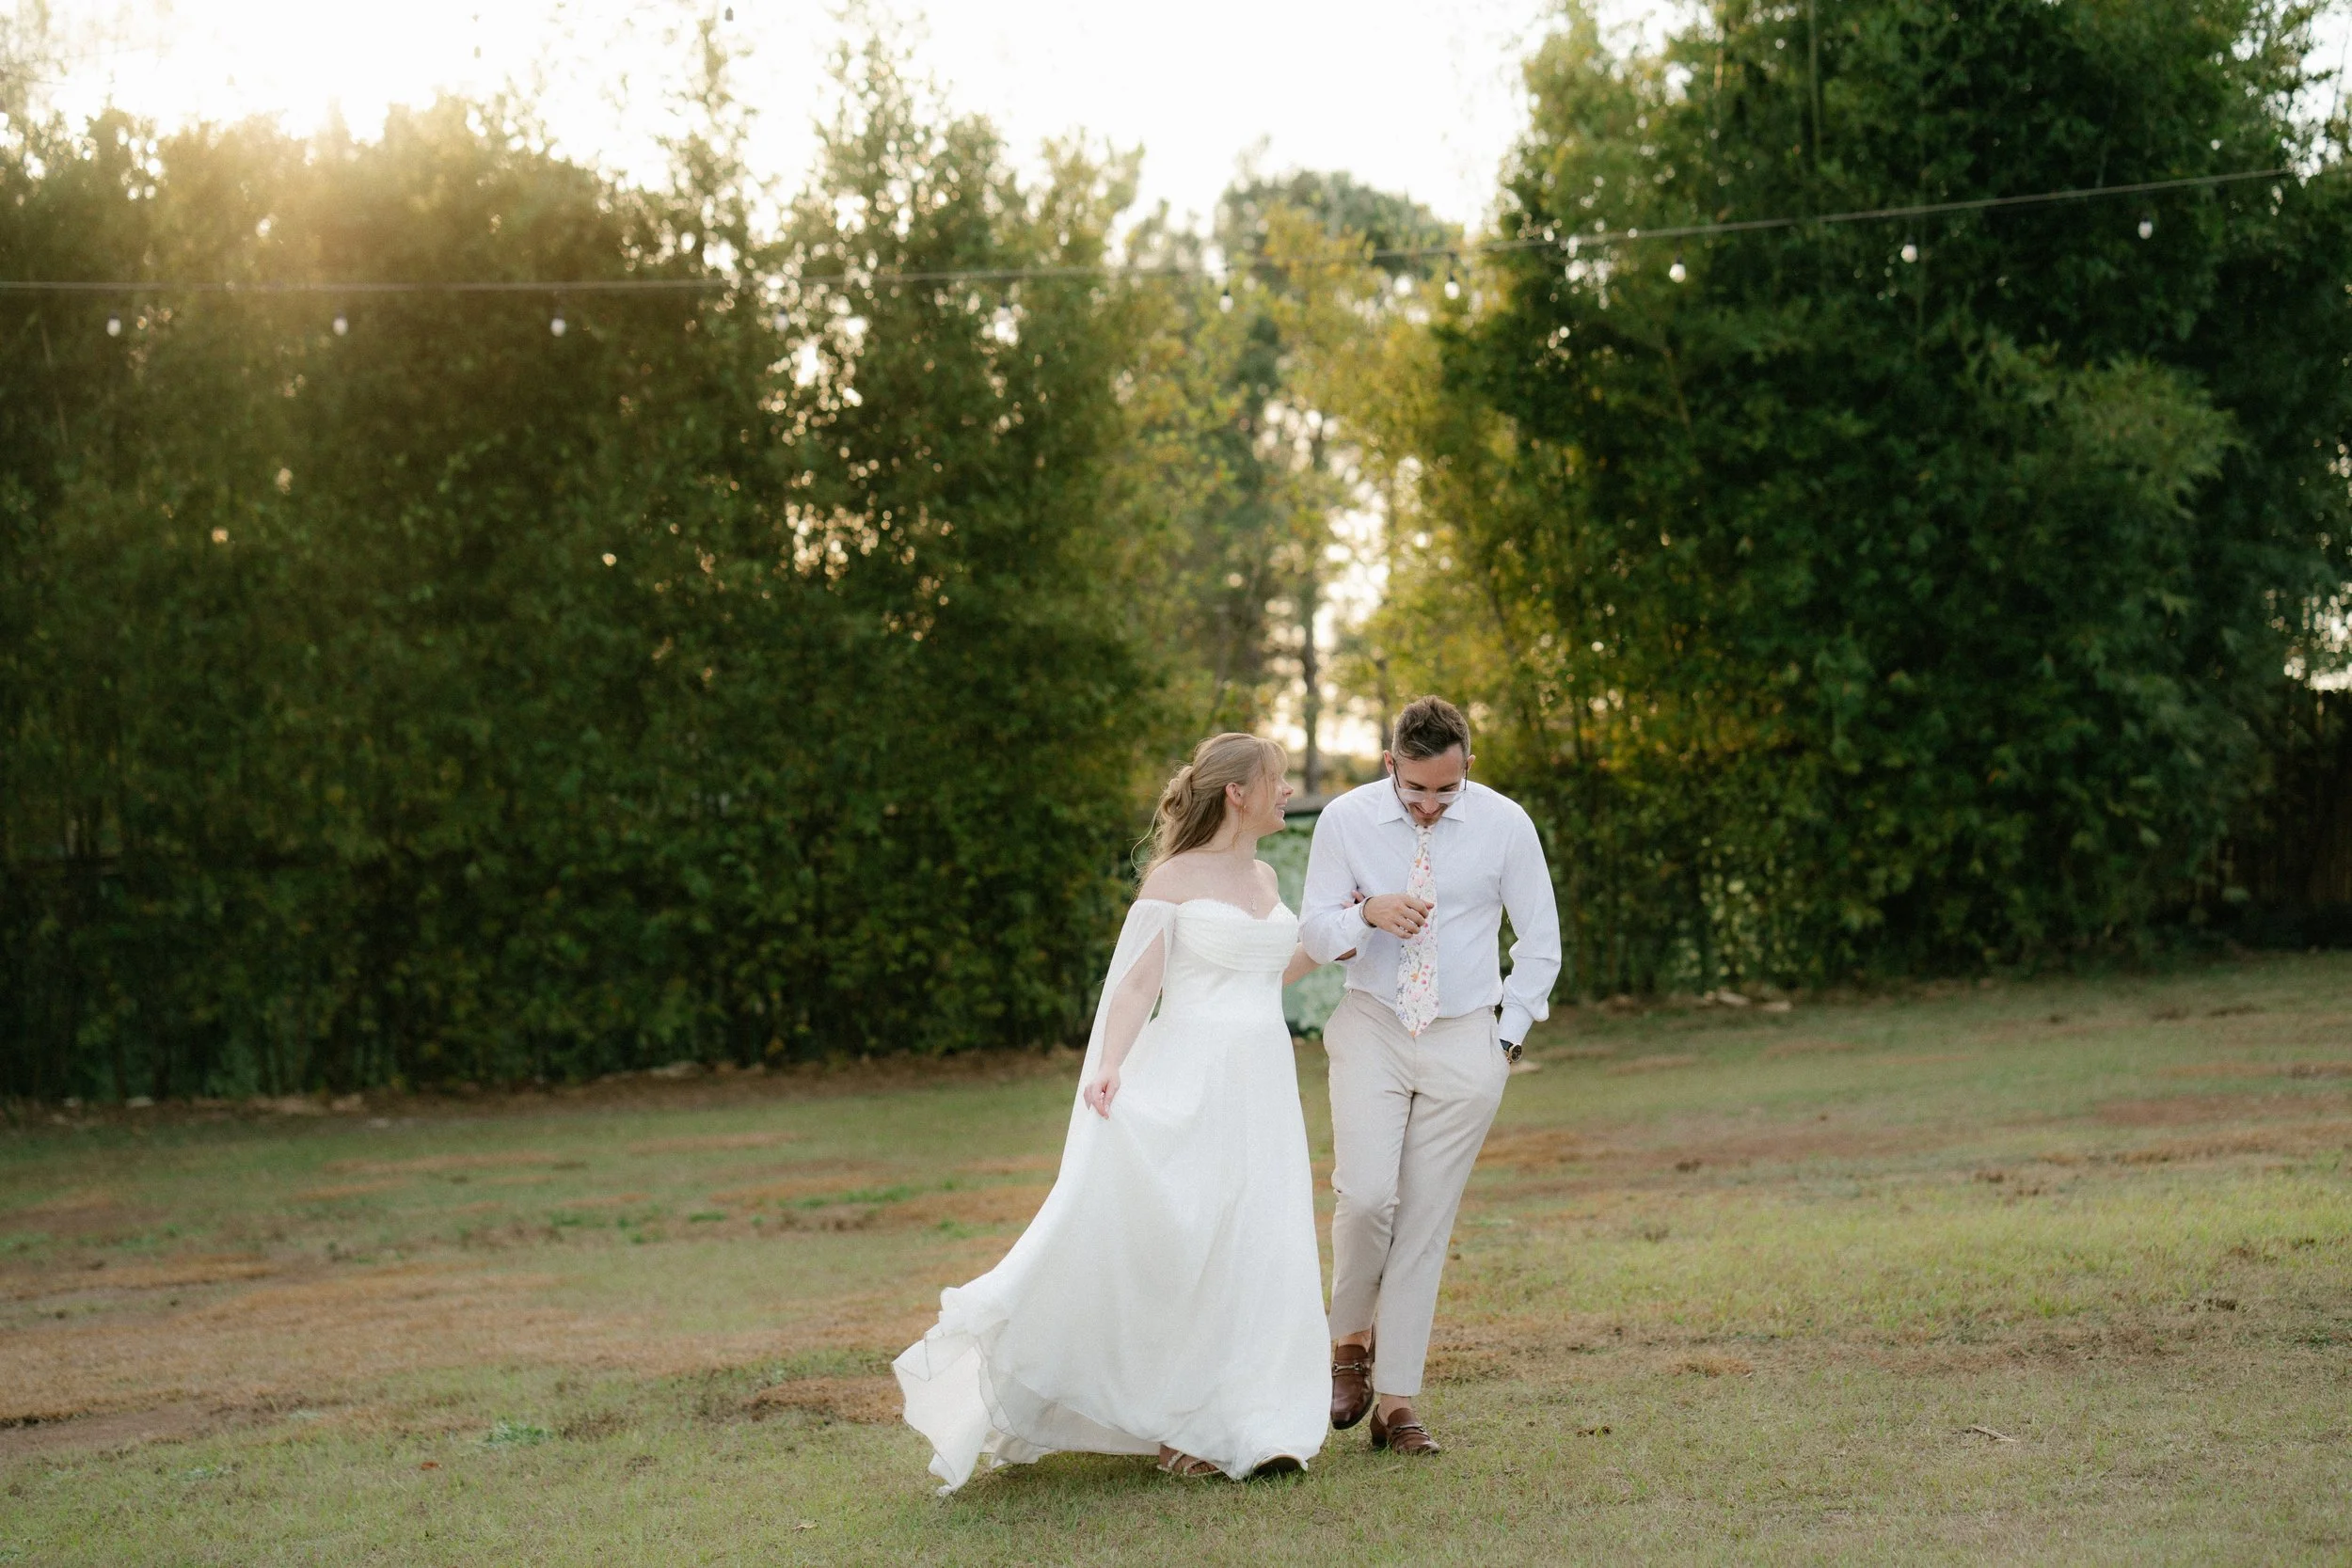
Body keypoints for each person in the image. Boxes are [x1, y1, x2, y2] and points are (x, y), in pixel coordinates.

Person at [894, 733, 1333, 1491]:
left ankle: (1254, 1418)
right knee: (1187, 1241)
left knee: (1258, 1239)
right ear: (1238, 793)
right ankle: (1177, 1422)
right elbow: (1135, 986)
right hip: (1192, 1080)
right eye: (1279, 780)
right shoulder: (1172, 878)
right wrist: (1108, 1068)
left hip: (1262, 1086)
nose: (1288, 791)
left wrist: (1342, 938)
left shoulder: (1265, 874)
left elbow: (1270, 972)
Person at [1297, 696, 1561, 1456]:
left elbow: (1539, 940)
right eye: (1416, 790)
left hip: (1465, 1037)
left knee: (1424, 1220)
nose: (1430, 806)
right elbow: (1314, 929)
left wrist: (1505, 1042)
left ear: (1467, 768)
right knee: (1368, 1196)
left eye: (1446, 790)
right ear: (1391, 766)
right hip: (1374, 1023)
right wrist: (1367, 912)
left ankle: (1397, 1402)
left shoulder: (1507, 824)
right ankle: (1347, 1343)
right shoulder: (1345, 820)